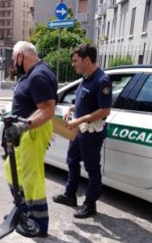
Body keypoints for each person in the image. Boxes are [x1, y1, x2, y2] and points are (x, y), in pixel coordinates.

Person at [52, 44, 112, 218]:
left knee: (92, 168)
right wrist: (71, 109)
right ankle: (70, 195)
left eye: (75, 61)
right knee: (72, 160)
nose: (73, 64)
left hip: (91, 132)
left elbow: (105, 110)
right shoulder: (87, 78)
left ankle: (90, 204)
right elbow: (86, 101)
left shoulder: (102, 80)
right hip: (80, 131)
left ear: (87, 60)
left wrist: (79, 119)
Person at [5, 41, 56, 237]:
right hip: (26, 130)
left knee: (31, 176)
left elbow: (47, 110)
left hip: (33, 130)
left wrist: (22, 125)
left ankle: (38, 222)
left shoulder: (38, 76)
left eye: (13, 58)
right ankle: (24, 210)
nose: (13, 62)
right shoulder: (34, 73)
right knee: (11, 169)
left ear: (20, 55)